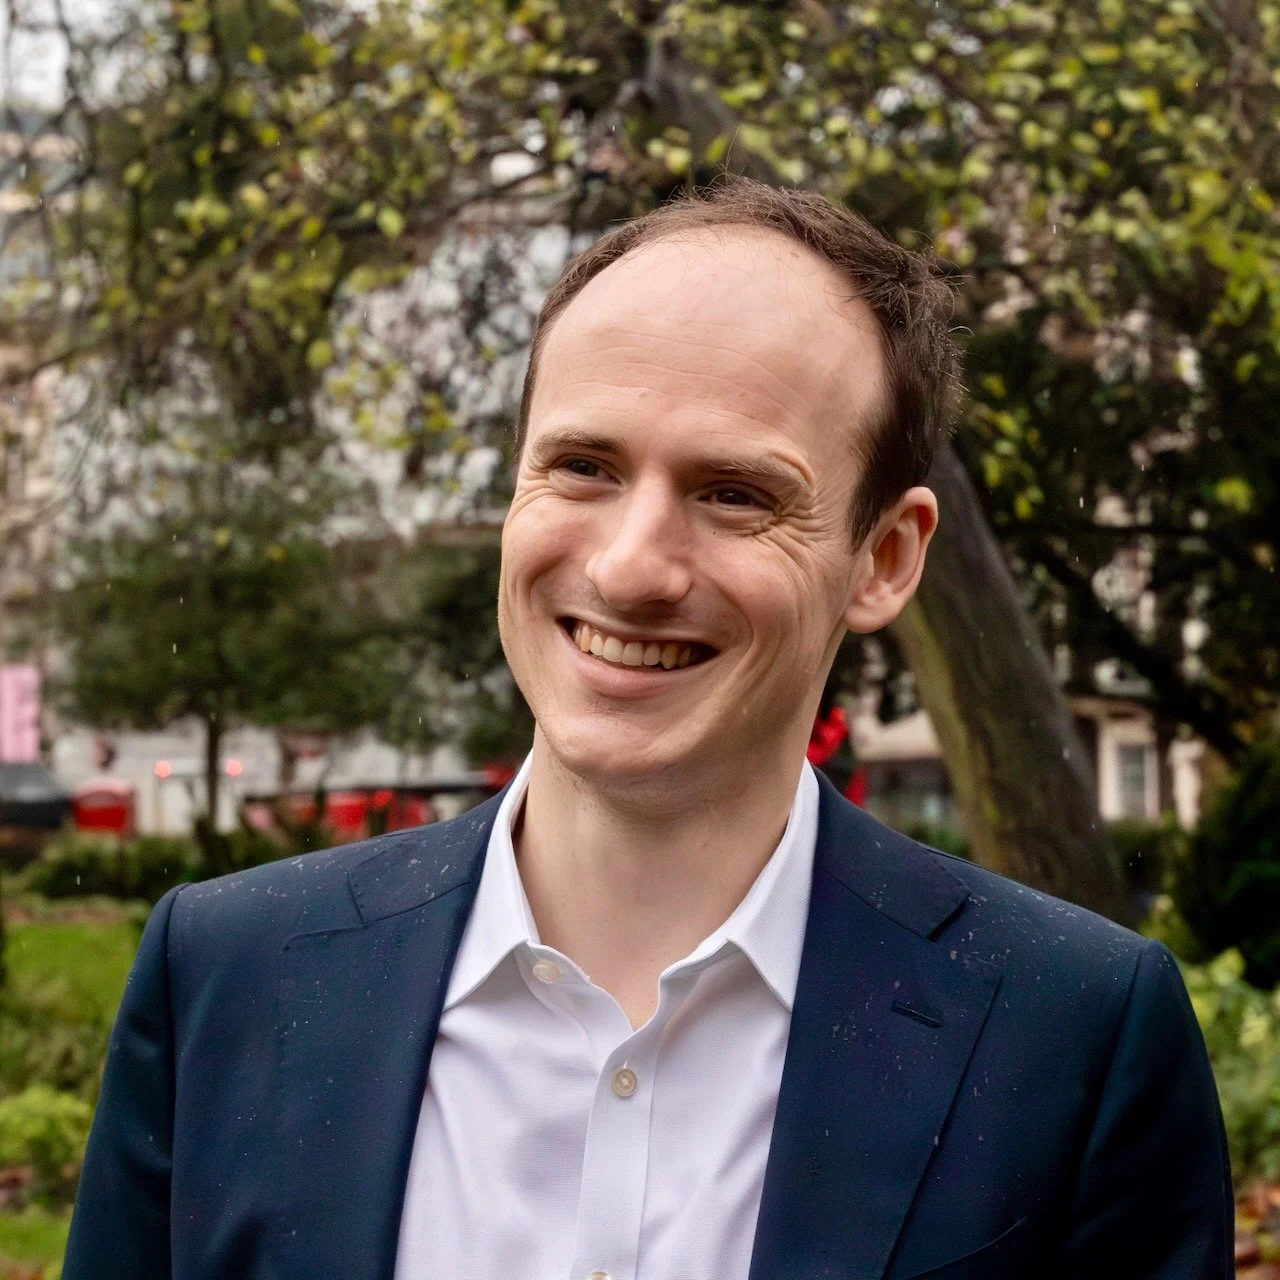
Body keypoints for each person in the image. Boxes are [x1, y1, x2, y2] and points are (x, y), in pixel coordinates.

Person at [63, 179, 1233, 1280]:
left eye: (733, 492)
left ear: (882, 558)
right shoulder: (223, 977)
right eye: (580, 466)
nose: (628, 567)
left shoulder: (1069, 1036)